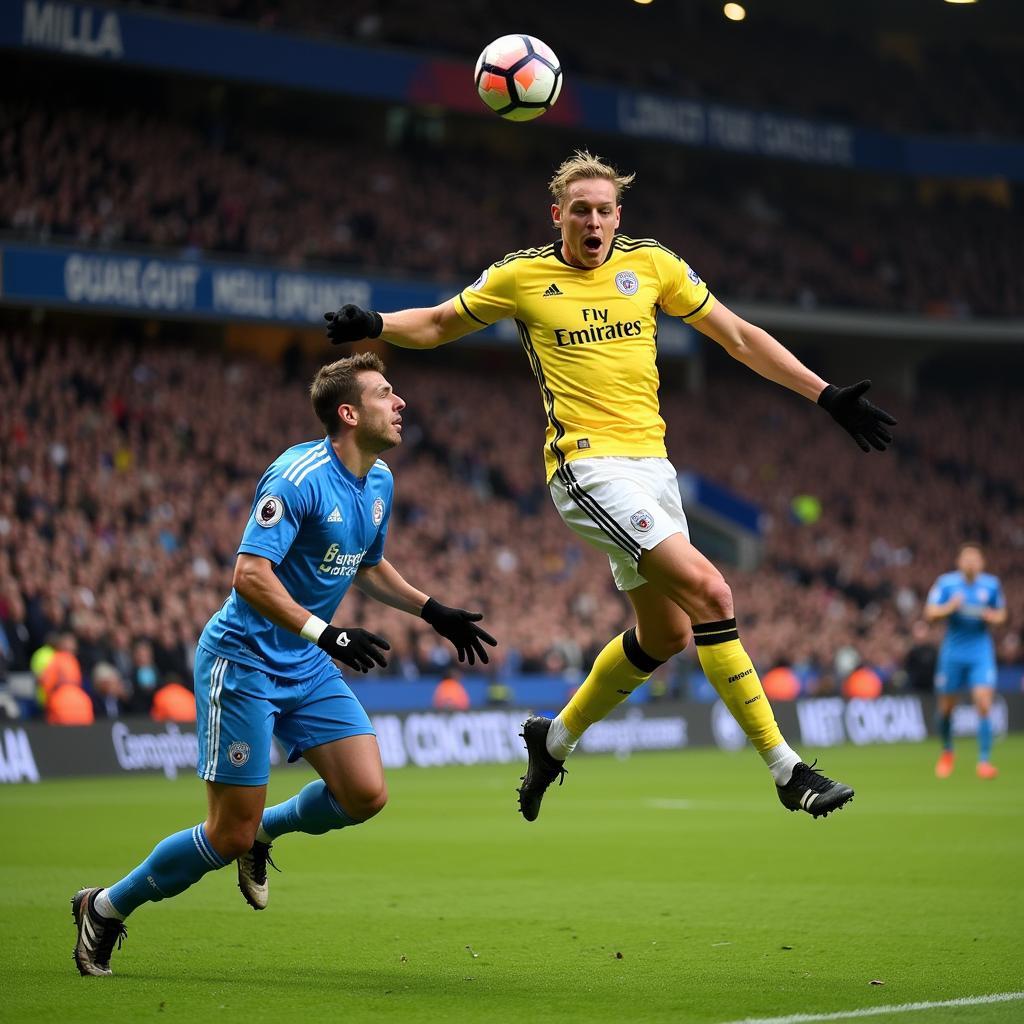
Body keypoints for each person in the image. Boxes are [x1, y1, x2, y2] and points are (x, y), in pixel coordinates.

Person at [324, 150, 896, 823]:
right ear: (558, 215)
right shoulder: (523, 276)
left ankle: (553, 737)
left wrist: (824, 394)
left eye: (604, 210)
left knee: (666, 636)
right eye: (580, 210)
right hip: (587, 467)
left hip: (655, 469)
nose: (592, 220)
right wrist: (378, 326)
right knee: (713, 592)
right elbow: (443, 322)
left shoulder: (651, 263)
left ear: (618, 216)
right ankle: (786, 769)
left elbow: (738, 336)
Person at [71, 353, 496, 977]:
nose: (401, 403)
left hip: (307, 658)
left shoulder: (379, 480)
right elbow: (249, 574)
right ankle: (106, 907)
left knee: (366, 794)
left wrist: (431, 611)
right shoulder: (298, 476)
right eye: (385, 394)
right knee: (227, 835)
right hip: (243, 662)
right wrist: (328, 633)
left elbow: (369, 565)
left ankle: (267, 831)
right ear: (349, 414)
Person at [925, 543, 1006, 779]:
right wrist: (950, 607)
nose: (971, 563)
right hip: (953, 653)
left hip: (980, 652)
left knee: (983, 702)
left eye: (975, 559)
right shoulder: (946, 584)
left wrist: (993, 616)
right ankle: (948, 751)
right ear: (959, 562)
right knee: (947, 708)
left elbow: (1002, 614)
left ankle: (984, 761)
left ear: (981, 563)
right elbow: (930, 613)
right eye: (966, 559)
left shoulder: (991, 585)